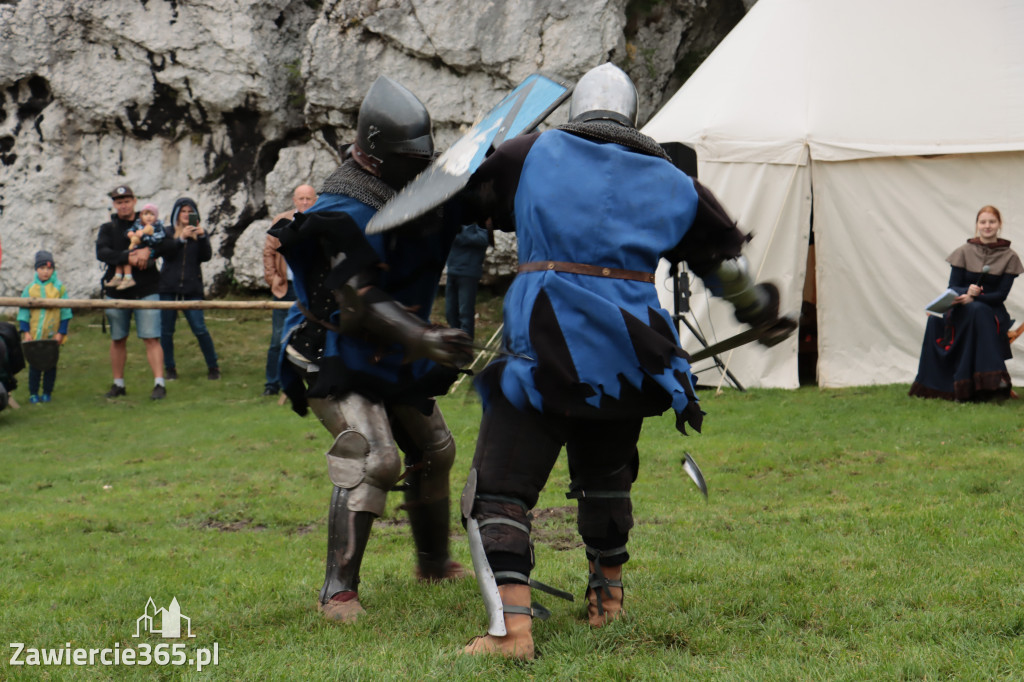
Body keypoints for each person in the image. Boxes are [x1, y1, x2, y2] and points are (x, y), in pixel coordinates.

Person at [456, 63, 793, 660]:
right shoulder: (674, 182)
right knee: (606, 478)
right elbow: (725, 268)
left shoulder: (527, 153)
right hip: (627, 355)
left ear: (576, 112)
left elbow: (465, 203)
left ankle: (512, 632)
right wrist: (759, 313)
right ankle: (607, 603)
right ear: (634, 118)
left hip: (544, 344)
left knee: (499, 488)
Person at [268, 76, 473, 624]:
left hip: (390, 352)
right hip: (335, 349)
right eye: (408, 157)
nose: (418, 166)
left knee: (435, 449)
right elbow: (357, 299)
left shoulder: (407, 192)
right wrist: (426, 338)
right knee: (373, 455)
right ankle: (338, 591)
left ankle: (433, 562)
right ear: (377, 155)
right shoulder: (340, 208)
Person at [909, 205, 1023, 401]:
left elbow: (1000, 295)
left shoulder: (1010, 257)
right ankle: (982, 379)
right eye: (983, 222)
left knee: (978, 309)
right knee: (955, 315)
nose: (987, 226)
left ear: (999, 225)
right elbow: (953, 286)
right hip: (962, 309)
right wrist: (966, 293)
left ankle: (989, 384)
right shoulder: (963, 251)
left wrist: (976, 297)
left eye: (992, 222)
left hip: (993, 312)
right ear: (977, 225)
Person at [96, 185, 173, 400]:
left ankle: (159, 383)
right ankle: (118, 383)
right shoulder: (108, 228)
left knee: (151, 337)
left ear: (134, 201)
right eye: (119, 202)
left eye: (126, 201)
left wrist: (150, 250)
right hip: (117, 290)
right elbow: (101, 252)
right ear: (114, 204)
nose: (123, 205)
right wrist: (127, 257)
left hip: (146, 288)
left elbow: (168, 244)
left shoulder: (149, 222)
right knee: (118, 338)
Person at [262, 184, 317, 396]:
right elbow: (268, 252)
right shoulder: (281, 220)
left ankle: (310, 382)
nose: (304, 202)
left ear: (315, 200)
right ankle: (272, 384)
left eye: (308, 199)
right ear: (294, 200)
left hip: (311, 288)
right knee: (278, 337)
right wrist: (273, 278)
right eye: (301, 198)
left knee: (312, 335)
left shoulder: (319, 219)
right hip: (285, 287)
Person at [158, 198, 220, 381]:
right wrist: (180, 239)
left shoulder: (201, 234)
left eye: (190, 211)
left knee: (200, 329)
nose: (186, 215)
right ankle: (170, 368)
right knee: (166, 331)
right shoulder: (168, 232)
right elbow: (166, 253)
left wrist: (201, 237)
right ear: (177, 214)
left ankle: (213, 366)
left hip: (192, 288)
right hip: (168, 287)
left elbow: (206, 256)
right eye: (183, 211)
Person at [17, 250, 72, 403]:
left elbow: (66, 312)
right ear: (36, 269)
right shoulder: (29, 289)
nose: (45, 272)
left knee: (50, 364)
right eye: (42, 268)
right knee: (34, 365)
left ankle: (47, 392)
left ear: (53, 269)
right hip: (34, 334)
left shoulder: (59, 289)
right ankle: (33, 393)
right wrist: (26, 331)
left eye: (49, 268)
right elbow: (23, 312)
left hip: (52, 335)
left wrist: (61, 332)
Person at [444, 223, 490, 339]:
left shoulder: (479, 220)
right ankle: (456, 344)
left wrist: (460, 234)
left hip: (469, 273)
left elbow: (484, 239)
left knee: (465, 314)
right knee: (450, 313)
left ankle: (466, 349)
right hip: (452, 271)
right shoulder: (456, 219)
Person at [106, 203, 166, 290]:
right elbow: (131, 230)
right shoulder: (139, 224)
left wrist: (143, 236)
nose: (148, 217)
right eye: (146, 214)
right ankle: (118, 277)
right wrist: (129, 233)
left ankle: (128, 278)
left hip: (149, 257)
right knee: (123, 256)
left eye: (152, 214)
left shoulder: (157, 227)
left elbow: (158, 240)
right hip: (136, 250)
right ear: (141, 216)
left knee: (127, 258)